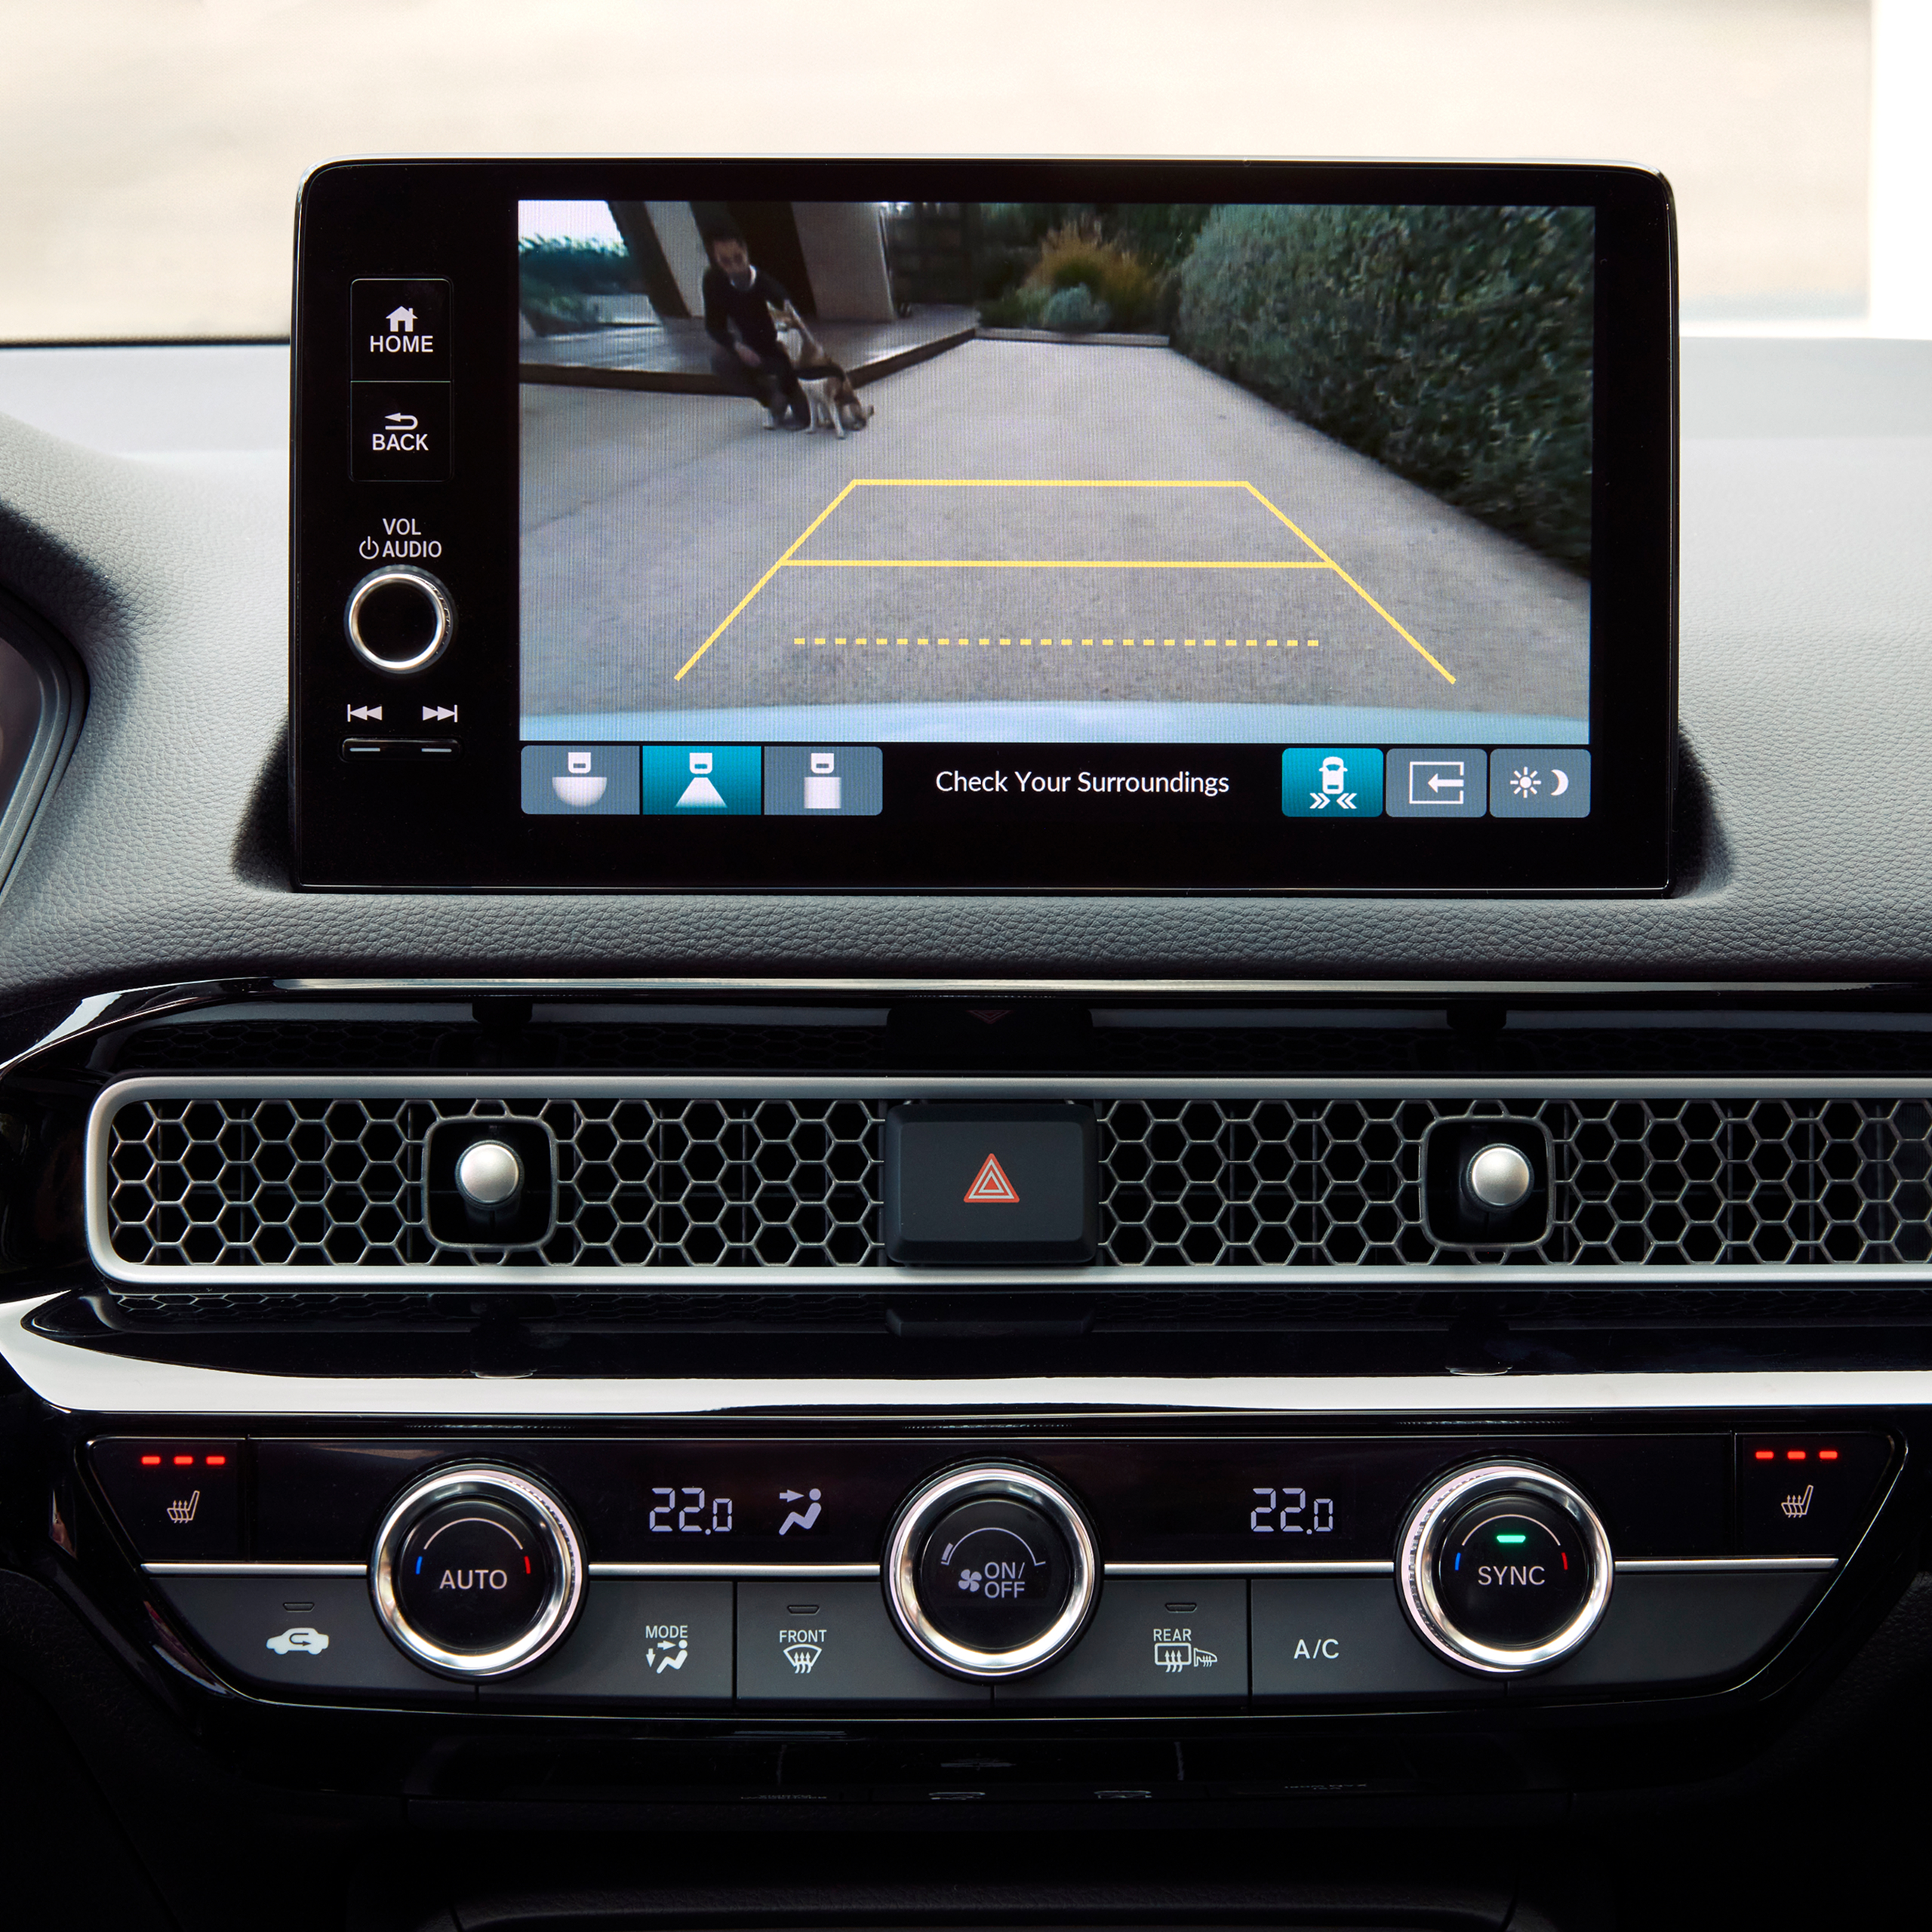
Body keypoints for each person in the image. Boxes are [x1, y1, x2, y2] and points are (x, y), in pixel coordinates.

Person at [700, 226, 811, 430]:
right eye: (725, 261)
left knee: (804, 418)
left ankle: (785, 394)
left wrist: (787, 385)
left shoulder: (766, 285)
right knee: (720, 360)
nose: (734, 267)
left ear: (746, 252)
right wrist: (737, 346)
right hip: (748, 346)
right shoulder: (713, 281)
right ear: (714, 260)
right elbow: (713, 326)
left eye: (738, 258)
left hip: (778, 349)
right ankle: (771, 396)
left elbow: (792, 329)